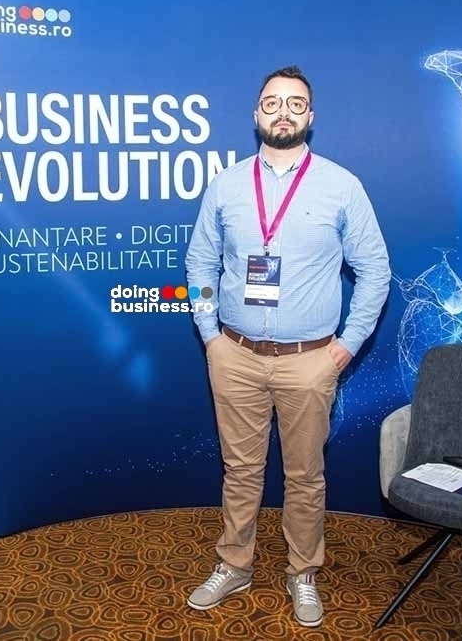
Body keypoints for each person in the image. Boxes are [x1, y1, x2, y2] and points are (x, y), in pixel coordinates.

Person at [183, 65, 391, 628]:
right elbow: (199, 264)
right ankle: (235, 564)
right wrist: (209, 333)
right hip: (234, 355)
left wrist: (345, 346)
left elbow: (375, 271)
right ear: (256, 114)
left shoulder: (341, 186)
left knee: (305, 476)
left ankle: (303, 573)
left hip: (310, 361)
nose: (283, 112)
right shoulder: (226, 185)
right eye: (272, 102)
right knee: (240, 470)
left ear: (310, 116)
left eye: (295, 103)